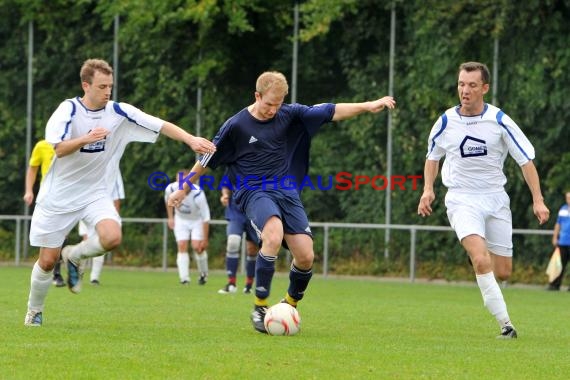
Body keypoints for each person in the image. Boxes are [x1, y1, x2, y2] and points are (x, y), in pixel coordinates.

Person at [168, 71, 396, 333]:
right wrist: (184, 189)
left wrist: (367, 106)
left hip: (286, 191)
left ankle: (289, 304)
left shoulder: (288, 114)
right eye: (268, 104)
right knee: (273, 234)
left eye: (278, 104)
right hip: (252, 191)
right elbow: (206, 158)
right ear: (257, 95)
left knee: (306, 255)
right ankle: (260, 306)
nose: (272, 110)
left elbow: (331, 111)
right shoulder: (236, 125)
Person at [24, 58, 216, 326]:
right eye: (102, 86)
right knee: (46, 261)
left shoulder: (118, 111)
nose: (107, 92)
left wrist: (190, 140)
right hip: (58, 196)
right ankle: (34, 310)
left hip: (96, 193)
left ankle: (76, 255)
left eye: (110, 86)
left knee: (112, 237)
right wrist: (86, 139)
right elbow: (58, 148)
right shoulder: (67, 110)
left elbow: (159, 123)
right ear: (86, 85)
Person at [417, 61, 550, 339]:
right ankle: (506, 325)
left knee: (503, 272)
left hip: (495, 199)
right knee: (481, 259)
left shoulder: (499, 120)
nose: (465, 91)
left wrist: (538, 200)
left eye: (472, 85)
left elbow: (525, 161)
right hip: (461, 199)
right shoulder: (445, 121)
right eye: (461, 84)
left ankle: (479, 259)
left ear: (485, 88)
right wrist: (428, 189)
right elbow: (433, 157)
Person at [23, 140, 66, 287]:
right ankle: (47, 269)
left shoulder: (74, 144)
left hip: (68, 197)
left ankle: (56, 272)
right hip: (47, 198)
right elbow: (32, 168)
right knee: (48, 238)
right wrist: (29, 191)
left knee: (61, 236)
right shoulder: (41, 146)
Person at [164, 170, 211, 285]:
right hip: (180, 220)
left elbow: (205, 218)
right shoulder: (170, 189)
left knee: (197, 247)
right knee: (181, 245)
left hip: (197, 221)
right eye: (179, 181)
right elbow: (168, 201)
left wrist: (205, 239)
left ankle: (203, 273)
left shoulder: (198, 194)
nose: (181, 185)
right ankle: (184, 278)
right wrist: (170, 217)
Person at [79, 171, 125, 285]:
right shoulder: (88, 161)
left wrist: (114, 217)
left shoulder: (114, 169)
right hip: (85, 208)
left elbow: (117, 197)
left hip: (104, 212)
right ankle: (78, 273)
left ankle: (94, 277)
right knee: (86, 242)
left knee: (101, 245)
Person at [217, 185, 259, 294]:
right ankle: (231, 284)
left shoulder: (263, 168)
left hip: (255, 212)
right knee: (233, 242)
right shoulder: (233, 167)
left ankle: (249, 285)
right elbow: (226, 184)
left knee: (252, 249)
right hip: (235, 213)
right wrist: (225, 195)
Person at [547, 191, 570, 290]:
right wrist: (555, 237)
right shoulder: (563, 210)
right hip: (563, 242)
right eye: (567, 198)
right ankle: (555, 285)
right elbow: (558, 224)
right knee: (559, 264)